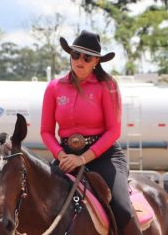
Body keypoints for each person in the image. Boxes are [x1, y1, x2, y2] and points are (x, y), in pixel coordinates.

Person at [40, 30, 142, 234]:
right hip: (66, 157)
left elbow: (114, 131)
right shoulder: (54, 88)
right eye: (75, 55)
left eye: (87, 57)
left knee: (122, 209)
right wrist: (62, 156)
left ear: (96, 61)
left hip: (104, 156)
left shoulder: (107, 85)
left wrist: (83, 159)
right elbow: (46, 132)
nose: (80, 60)